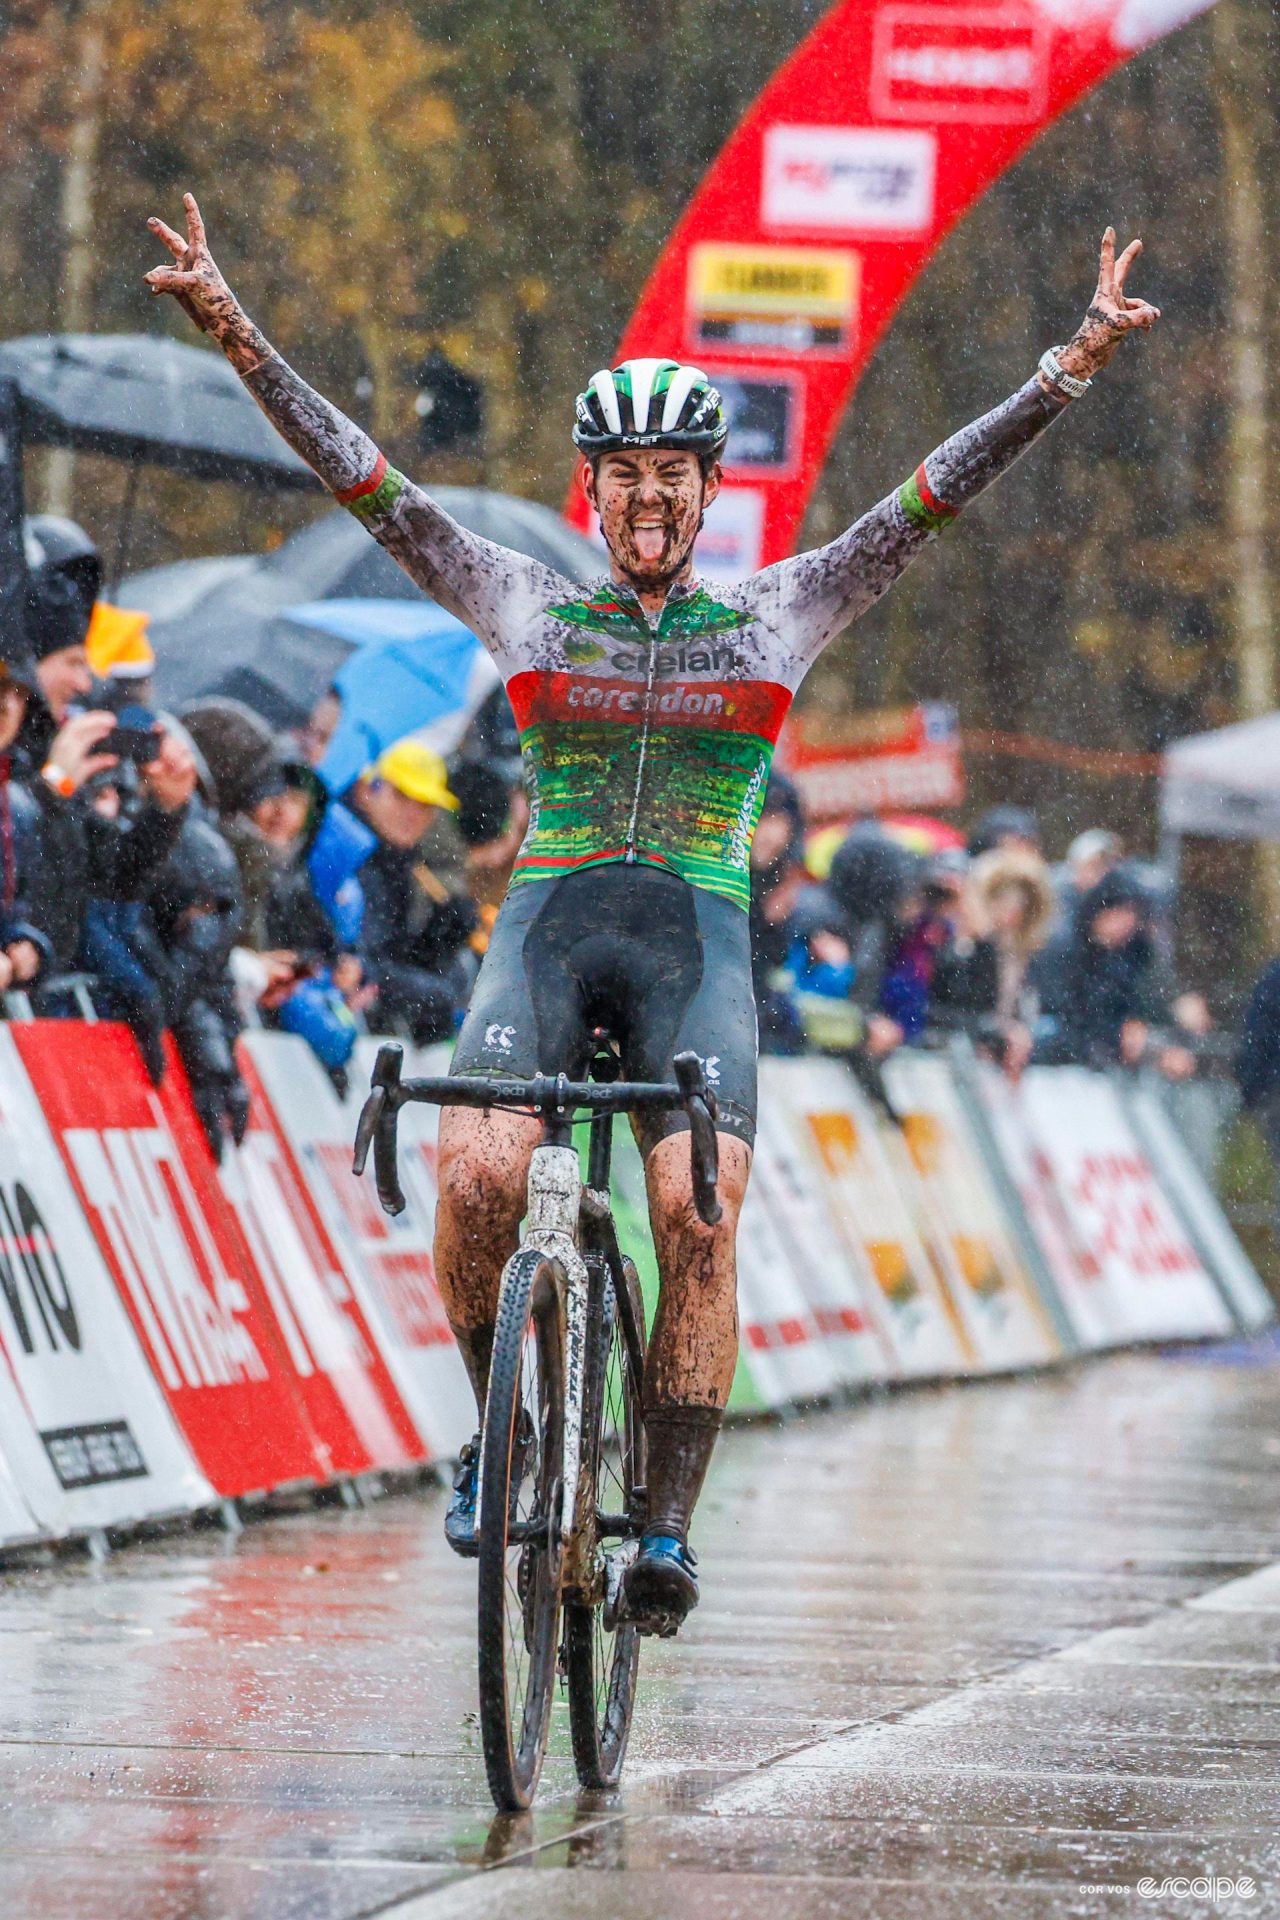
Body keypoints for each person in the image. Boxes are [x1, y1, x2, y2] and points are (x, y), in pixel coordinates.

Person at [147, 192, 1160, 1632]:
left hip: (695, 946)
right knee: (479, 1178)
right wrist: (239, 331)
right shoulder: (523, 605)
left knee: (696, 1207)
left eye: (674, 476)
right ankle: (497, 1427)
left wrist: (1062, 372)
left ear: (709, 489)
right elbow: (368, 481)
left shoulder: (779, 617)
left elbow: (927, 498)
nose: (649, 503)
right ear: (589, 490)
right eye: (623, 478)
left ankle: (667, 1529)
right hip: (551, 931)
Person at [344, 741, 475, 1045]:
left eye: (426, 805)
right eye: (402, 795)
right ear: (367, 790)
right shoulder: (349, 856)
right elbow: (363, 961)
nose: (413, 814)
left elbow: (392, 953)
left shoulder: (401, 864)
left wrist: (439, 941)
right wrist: (430, 992)